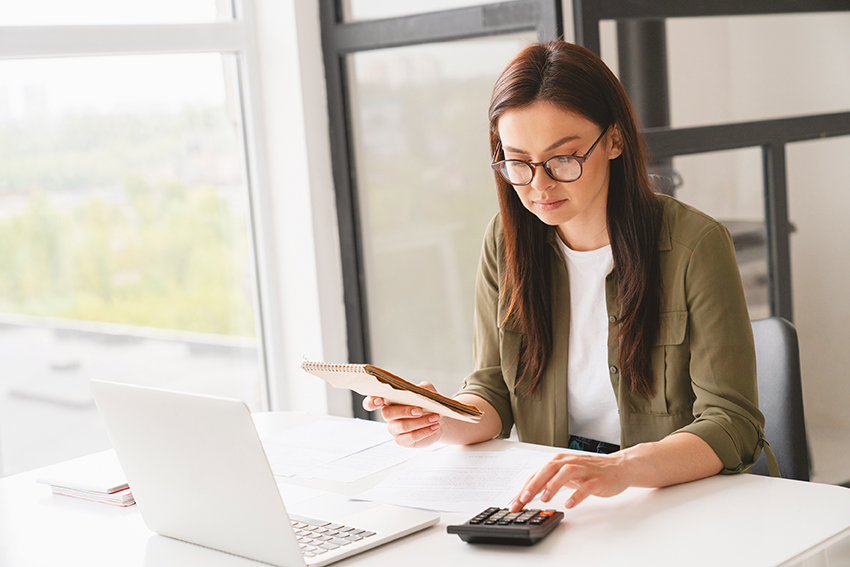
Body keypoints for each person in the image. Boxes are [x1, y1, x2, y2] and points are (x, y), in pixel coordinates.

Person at [364, 40, 772, 512]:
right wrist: (440, 419)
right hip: (559, 498)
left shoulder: (695, 246)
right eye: (517, 161)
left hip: (674, 497)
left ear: (614, 140)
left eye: (563, 158)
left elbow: (732, 422)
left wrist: (621, 468)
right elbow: (493, 388)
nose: (539, 184)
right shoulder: (506, 242)